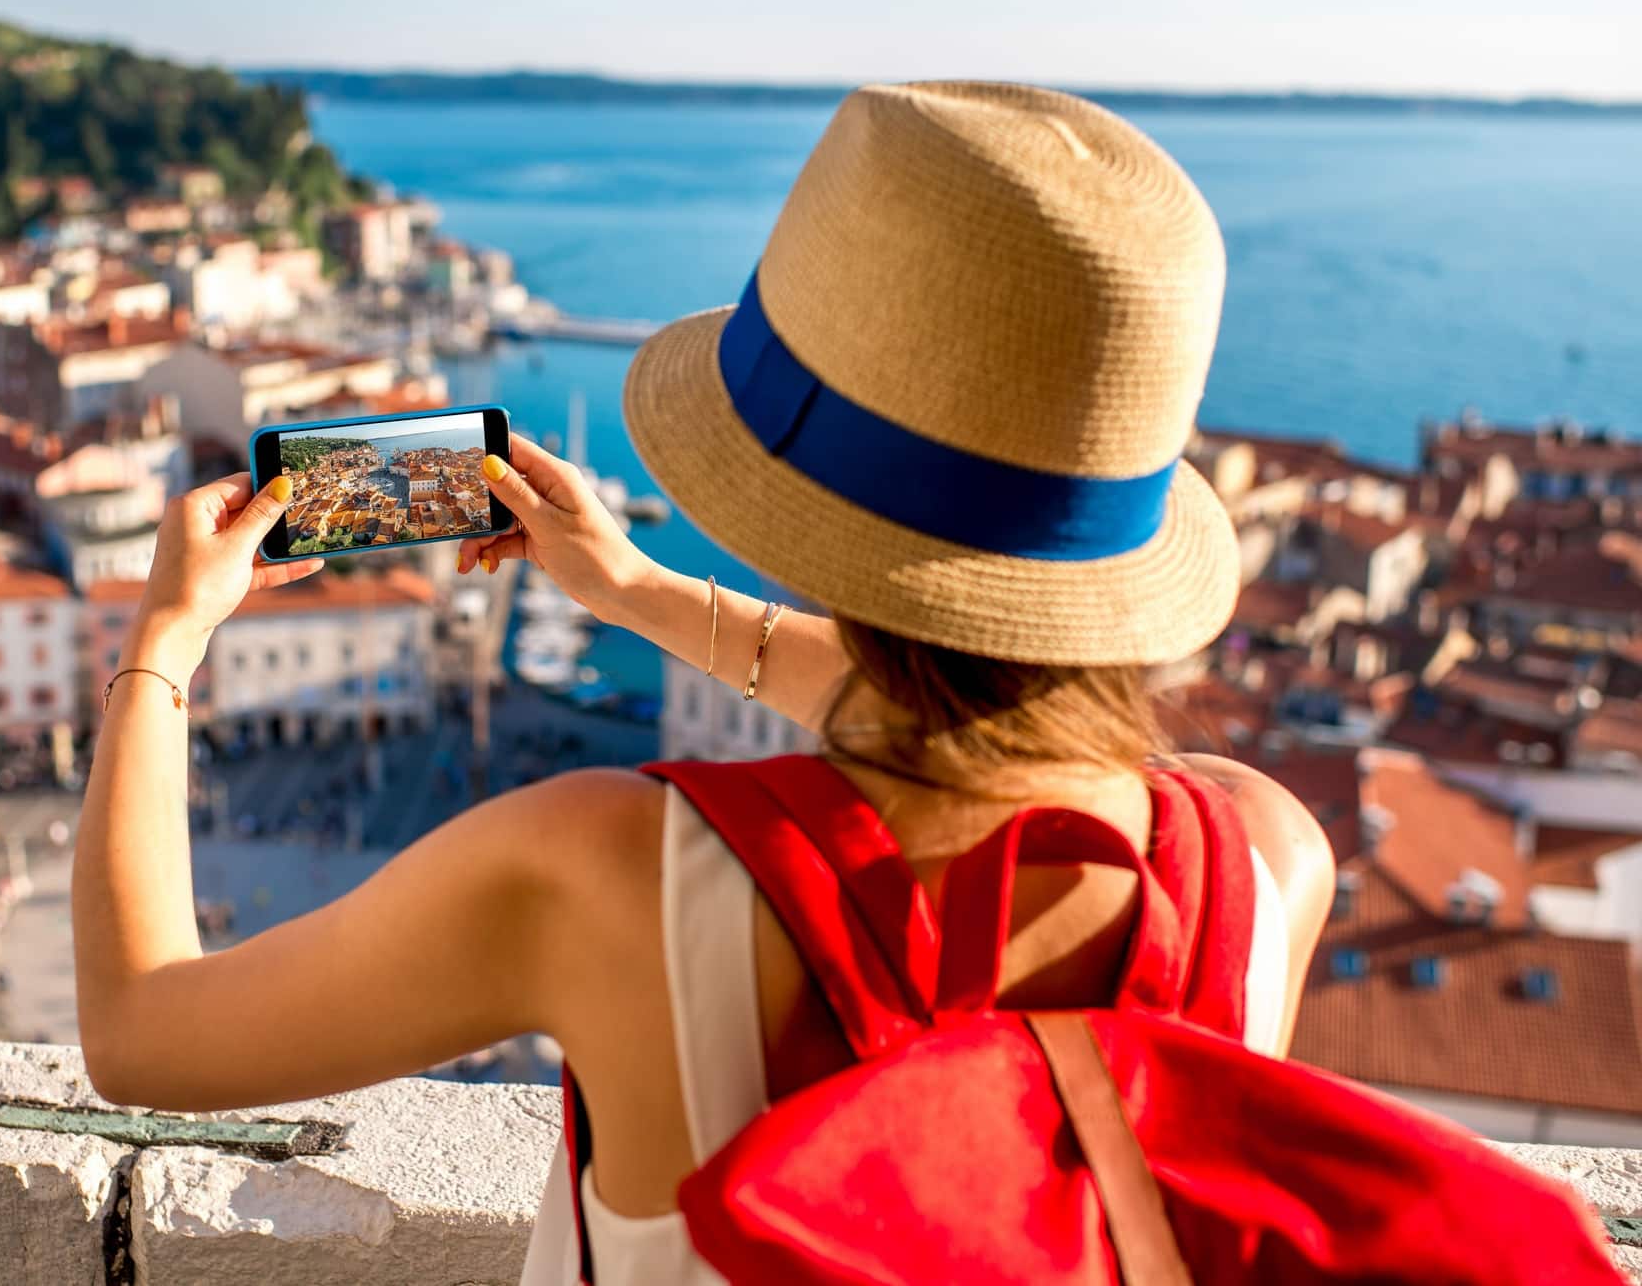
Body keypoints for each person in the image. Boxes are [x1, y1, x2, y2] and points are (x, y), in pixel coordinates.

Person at [72, 82, 1336, 1284]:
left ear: (799, 500)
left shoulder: (608, 870)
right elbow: (981, 735)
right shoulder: (1263, 861)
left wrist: (164, 642)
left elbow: (142, 1033)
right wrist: (629, 592)